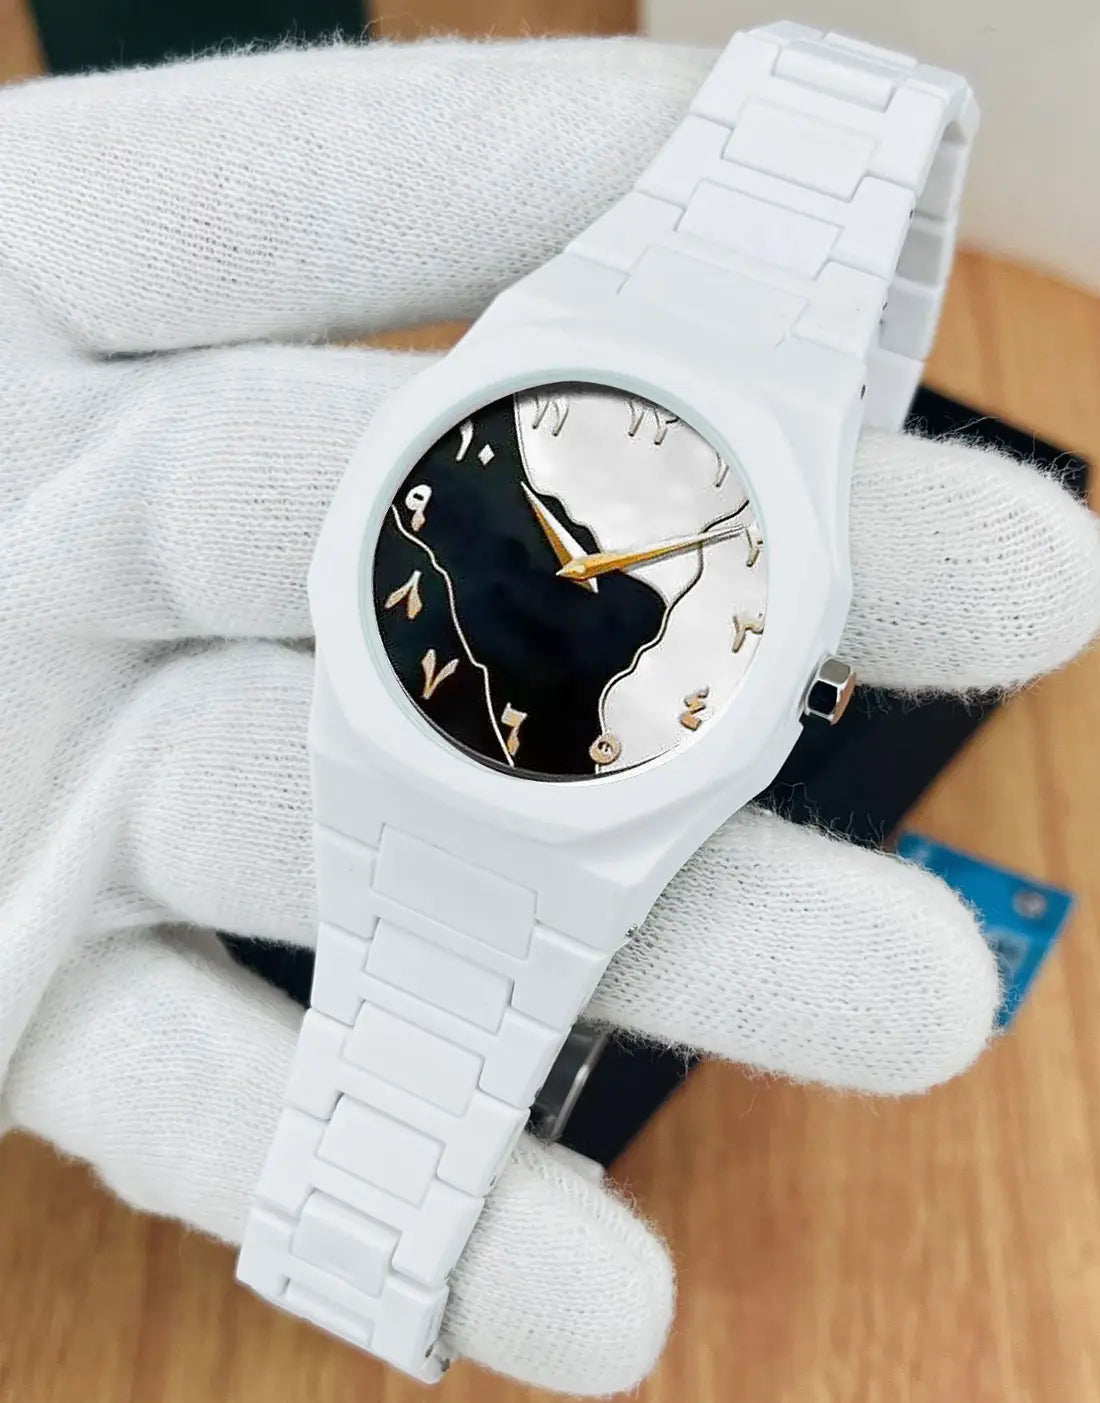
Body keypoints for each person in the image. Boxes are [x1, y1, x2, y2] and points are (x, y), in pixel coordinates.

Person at [0, 35, 1097, 1396]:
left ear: (806, 690)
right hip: (413, 737)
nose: (576, 570)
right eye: (561, 544)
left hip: (564, 787)